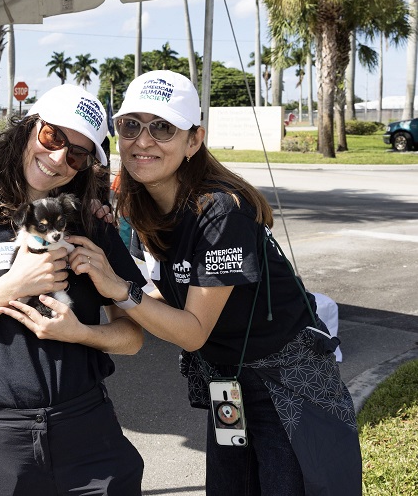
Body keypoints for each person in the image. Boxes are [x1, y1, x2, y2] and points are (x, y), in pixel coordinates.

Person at [75, 70, 362, 495]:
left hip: (285, 384)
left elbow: (191, 331)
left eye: (163, 127)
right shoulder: (143, 202)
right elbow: (162, 294)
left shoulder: (221, 211)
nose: (143, 140)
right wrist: (103, 242)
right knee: (232, 486)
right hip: (228, 384)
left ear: (194, 140)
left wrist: (120, 289)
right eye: (130, 125)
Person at [0, 84, 146, 495]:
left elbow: (131, 337)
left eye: (76, 153)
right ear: (26, 130)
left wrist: (81, 333)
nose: (59, 157)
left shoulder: (91, 226)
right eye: (52, 136)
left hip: (89, 432)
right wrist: (14, 283)